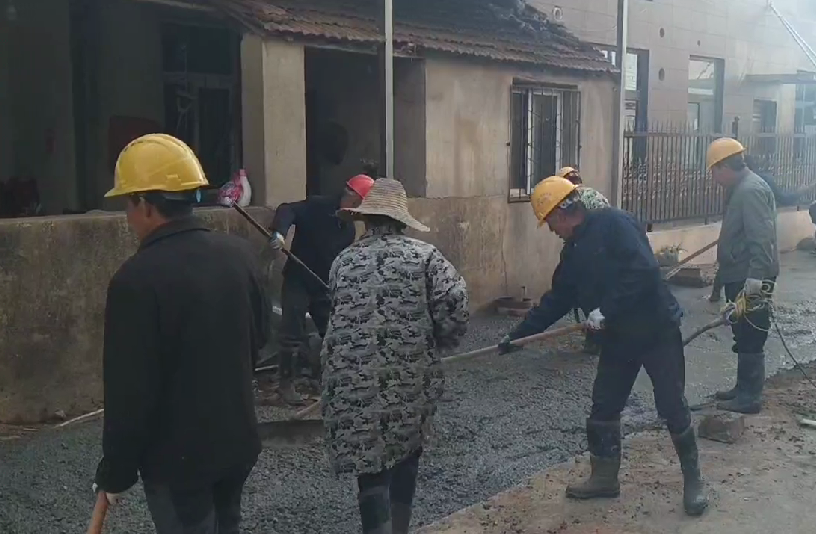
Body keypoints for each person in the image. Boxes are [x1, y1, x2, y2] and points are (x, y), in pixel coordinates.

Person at [497, 177, 708, 517]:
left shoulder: (615, 223)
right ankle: (604, 478)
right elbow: (559, 297)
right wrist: (519, 336)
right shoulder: (573, 250)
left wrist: (606, 309)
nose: (550, 230)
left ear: (562, 212)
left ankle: (693, 480)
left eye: (549, 222)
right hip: (619, 339)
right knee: (604, 406)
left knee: (671, 403)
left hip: (655, 330)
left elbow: (644, 271)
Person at [92, 134, 269, 533]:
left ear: (145, 203)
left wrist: (116, 471)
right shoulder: (239, 255)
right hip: (237, 444)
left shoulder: (135, 280)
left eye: (128, 203)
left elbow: (129, 392)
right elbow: (259, 339)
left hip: (178, 462)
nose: (127, 216)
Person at [321, 178, 469, 534]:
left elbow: (335, 308)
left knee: (368, 463)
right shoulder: (425, 257)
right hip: (408, 378)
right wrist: (441, 341)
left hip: (349, 380)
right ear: (401, 220)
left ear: (366, 219)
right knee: (405, 450)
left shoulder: (343, 261)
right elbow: (455, 302)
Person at [268, 174, 375, 405]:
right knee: (291, 332)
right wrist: (279, 233)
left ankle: (330, 380)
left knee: (333, 332)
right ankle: (286, 385)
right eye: (361, 204)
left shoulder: (348, 229)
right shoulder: (318, 206)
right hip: (298, 278)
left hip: (323, 286)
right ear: (353, 197)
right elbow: (288, 209)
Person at [707, 138, 779, 414]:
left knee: (751, 332)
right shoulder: (742, 188)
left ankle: (749, 397)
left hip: (750, 276)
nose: (714, 179)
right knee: (742, 330)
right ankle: (743, 388)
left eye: (714, 172)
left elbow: (762, 238)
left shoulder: (750, 190)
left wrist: (755, 279)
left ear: (724, 166)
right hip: (739, 274)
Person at [556, 166, 610, 355]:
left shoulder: (573, 200)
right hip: (606, 250)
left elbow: (578, 232)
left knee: (588, 294)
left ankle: (595, 338)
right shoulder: (594, 193)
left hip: (593, 251)